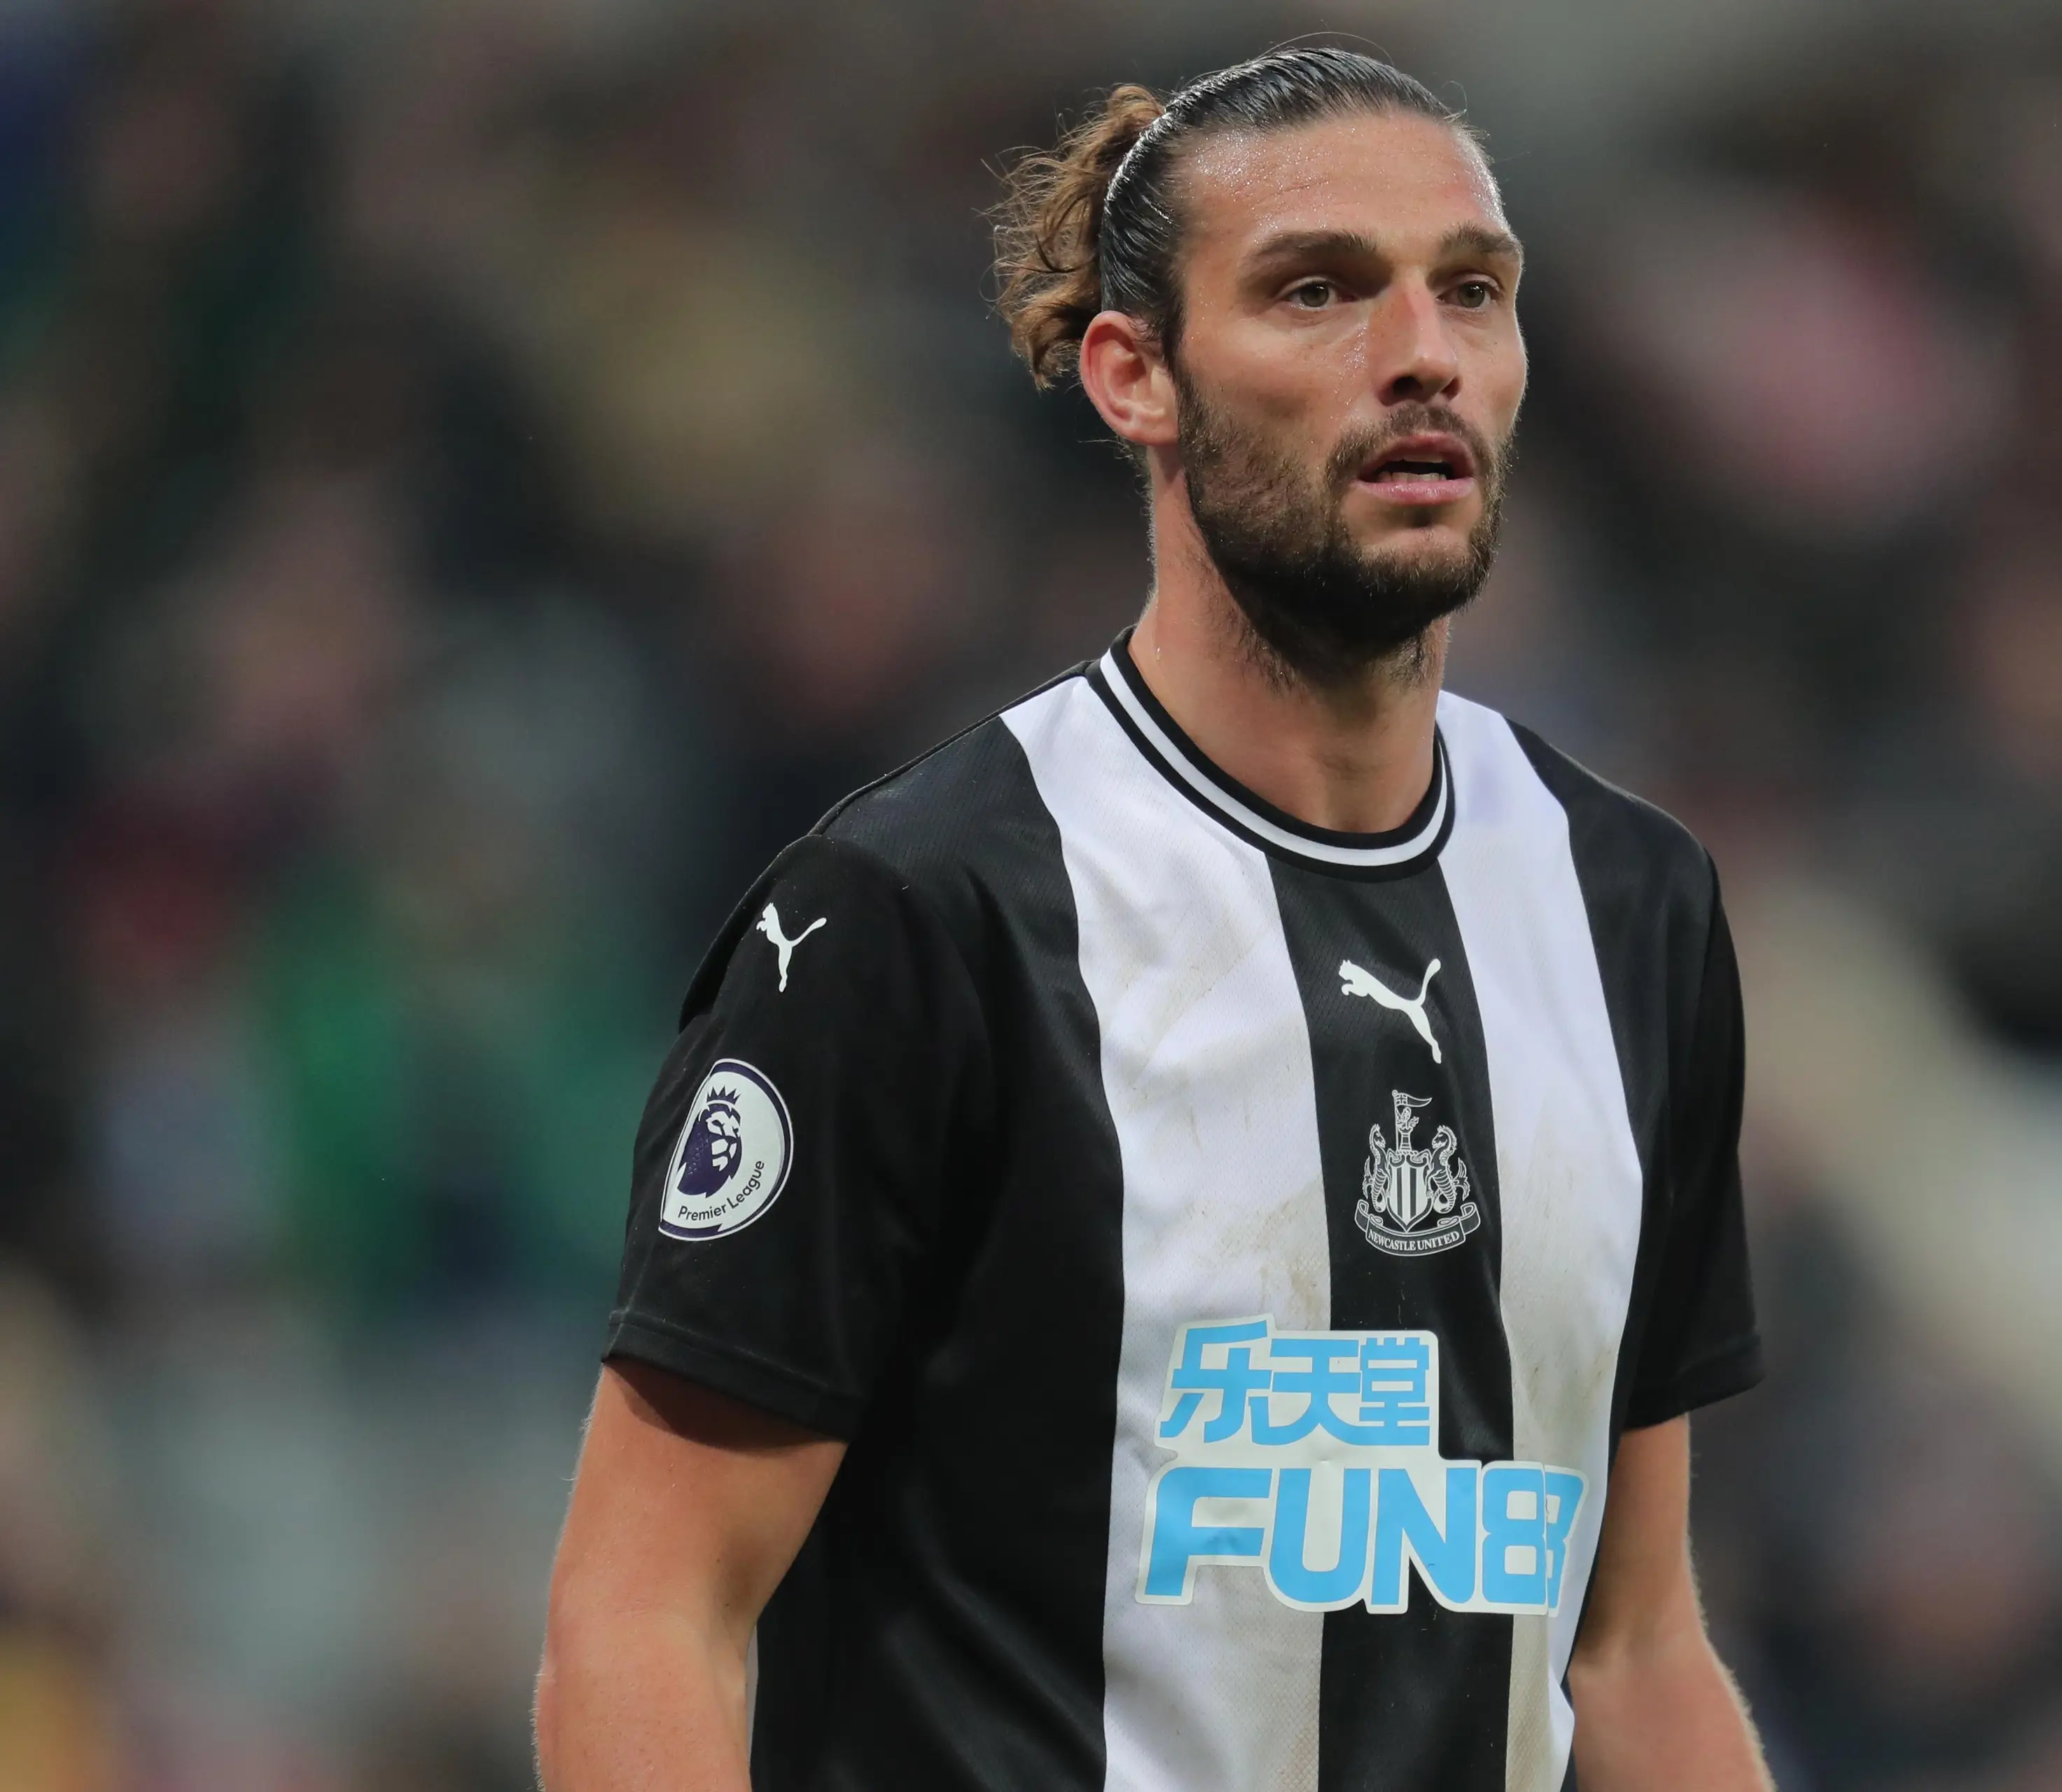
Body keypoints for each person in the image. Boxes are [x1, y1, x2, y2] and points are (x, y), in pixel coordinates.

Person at [536, 46, 1771, 1792]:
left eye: (1471, 291)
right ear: (1138, 377)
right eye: (1319, 290)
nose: (1420, 351)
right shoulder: (919, 915)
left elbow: (1633, 1643)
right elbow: (647, 1609)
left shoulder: (1632, 904)